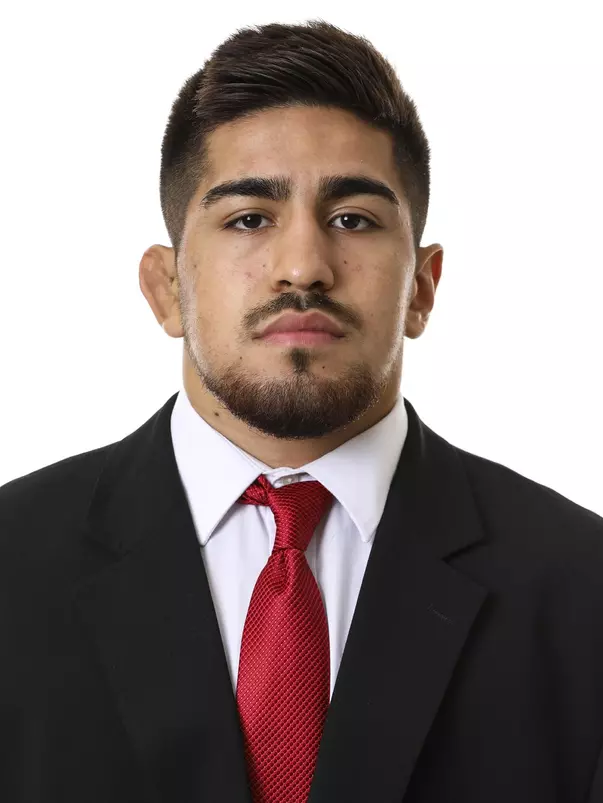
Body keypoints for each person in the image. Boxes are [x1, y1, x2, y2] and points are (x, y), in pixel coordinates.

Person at [1, 18, 602, 803]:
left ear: (421, 286)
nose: (302, 266)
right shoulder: (13, 565)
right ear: (164, 287)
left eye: (352, 218)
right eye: (249, 217)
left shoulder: (581, 589)